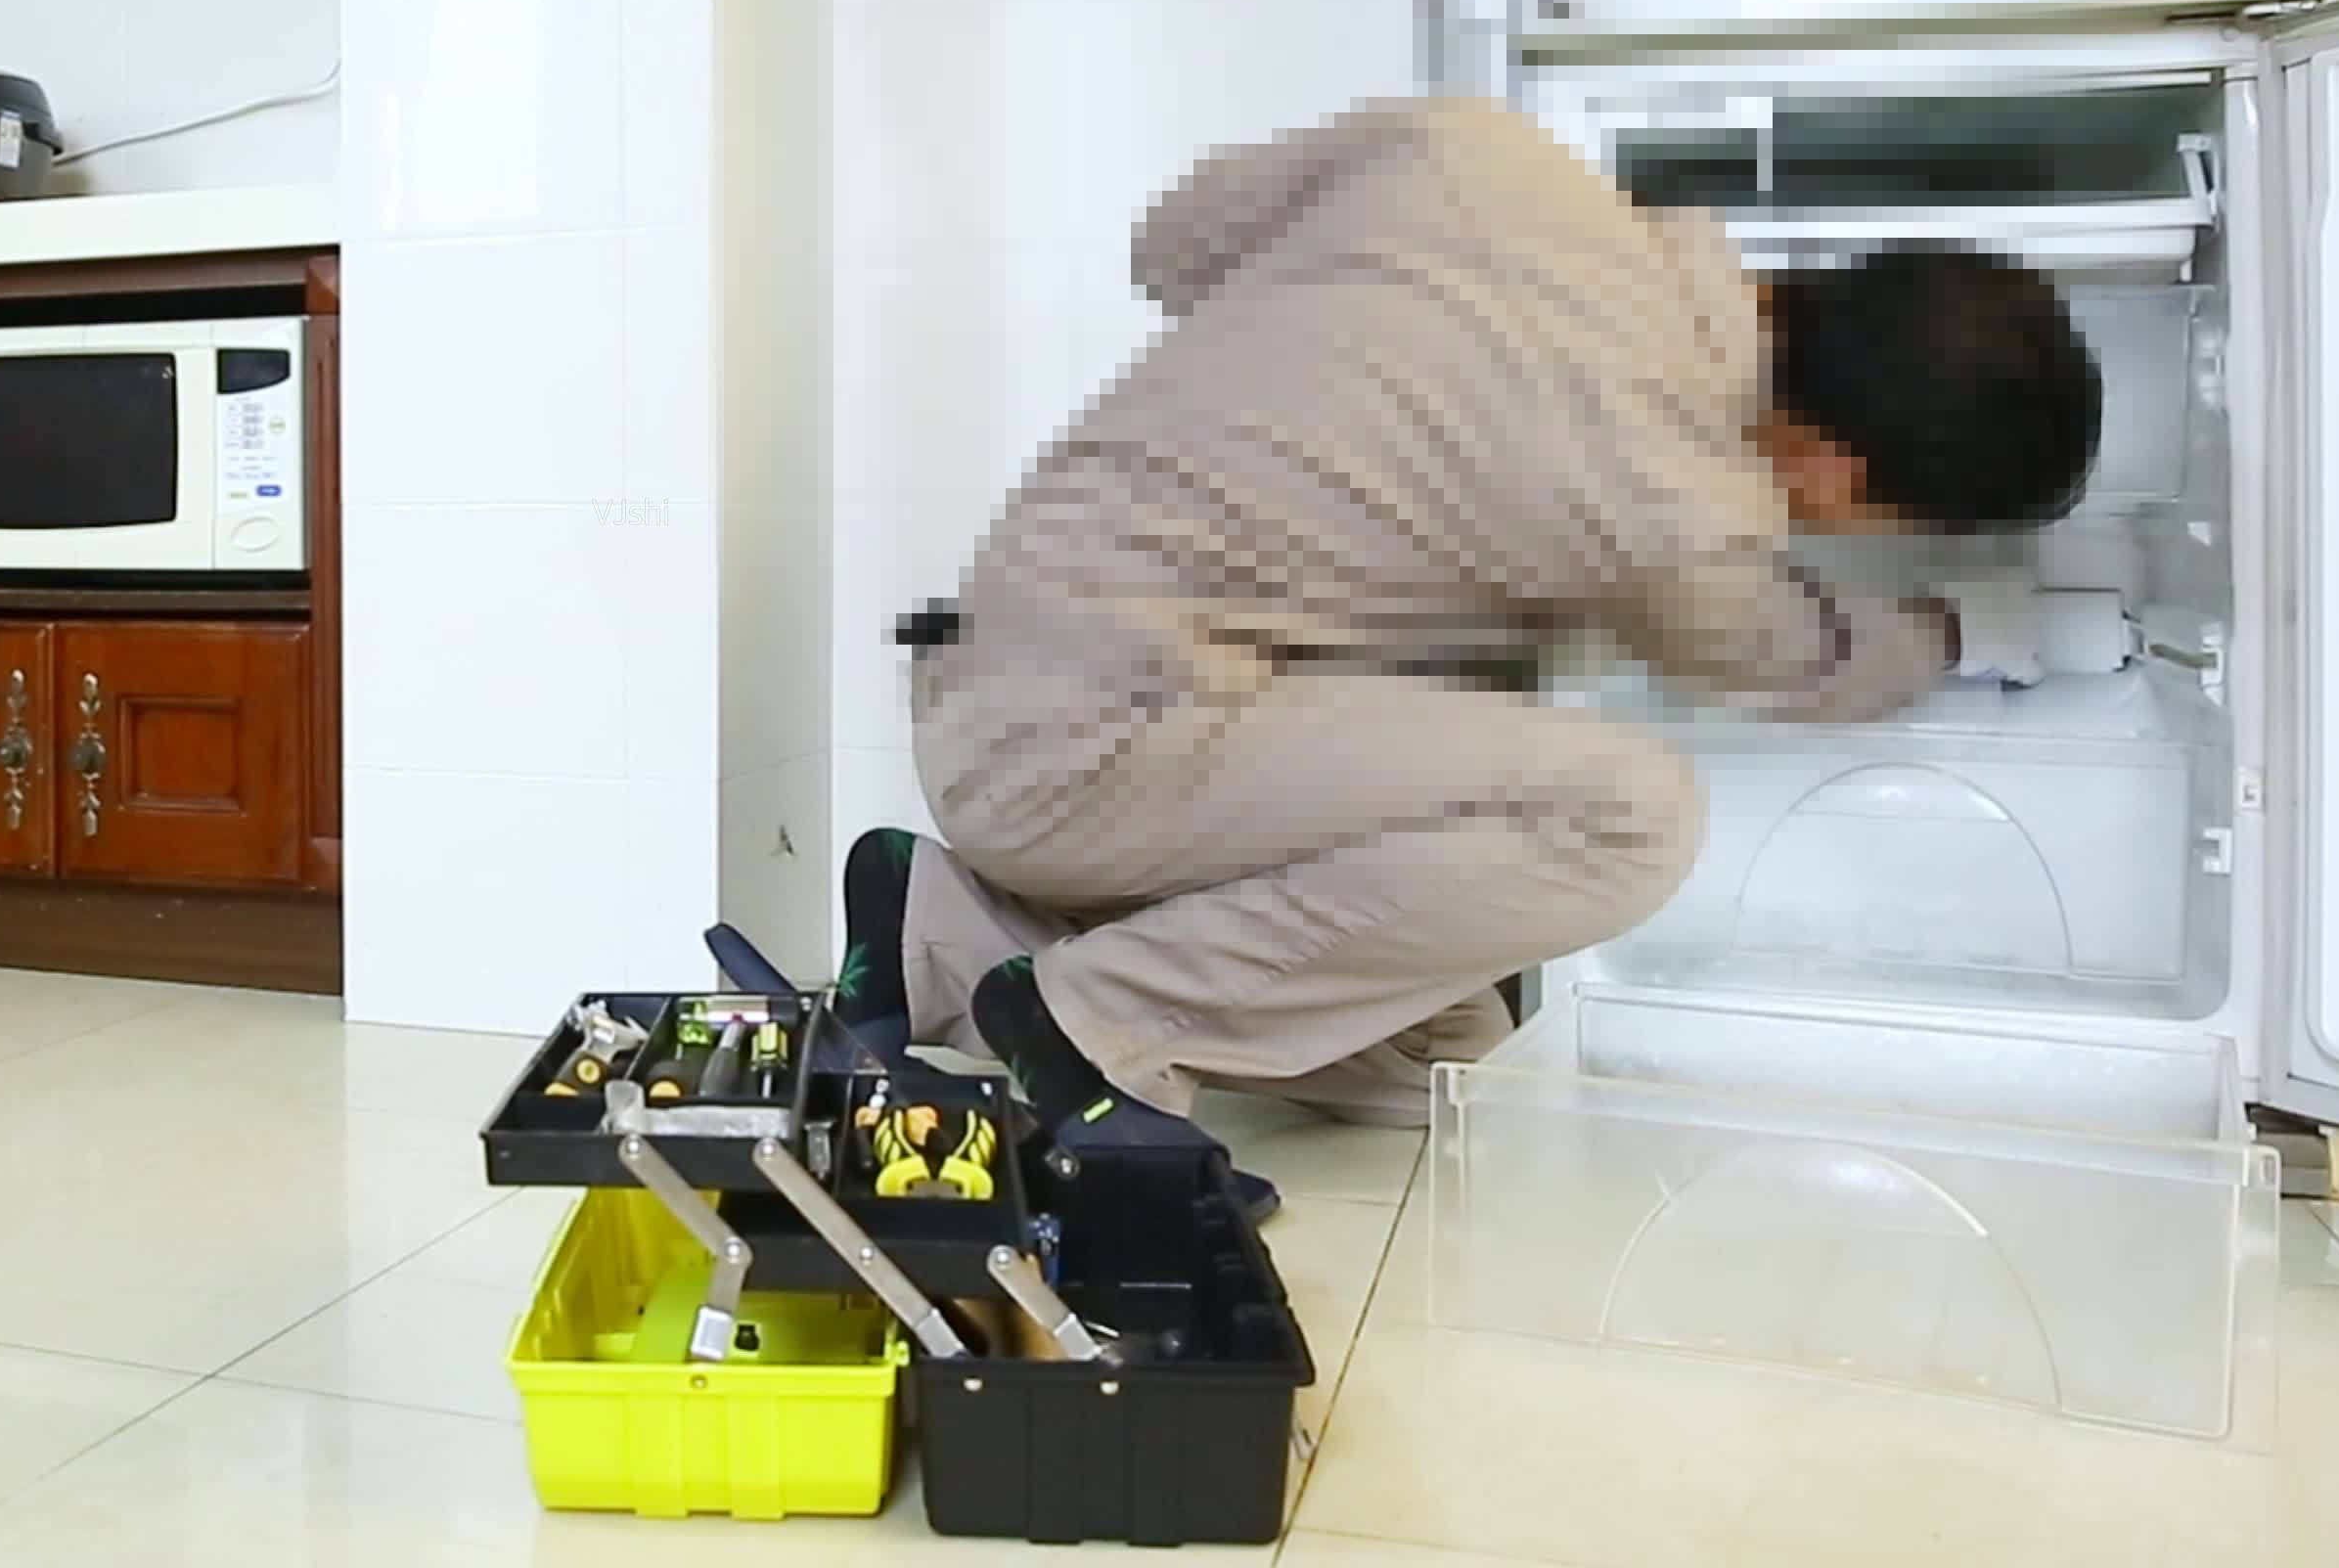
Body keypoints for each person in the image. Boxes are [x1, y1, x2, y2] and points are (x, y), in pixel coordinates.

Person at [832, 97, 2101, 1169]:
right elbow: (1803, 662)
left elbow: (1172, 240)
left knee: (1449, 1066)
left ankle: (938, 936)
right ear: (1834, 470)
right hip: (1073, 750)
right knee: (1631, 819)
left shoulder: (1479, 154)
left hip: (996, 666)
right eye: (1877, 525)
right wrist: (1969, 629)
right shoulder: (1676, 504)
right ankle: (1085, 1029)